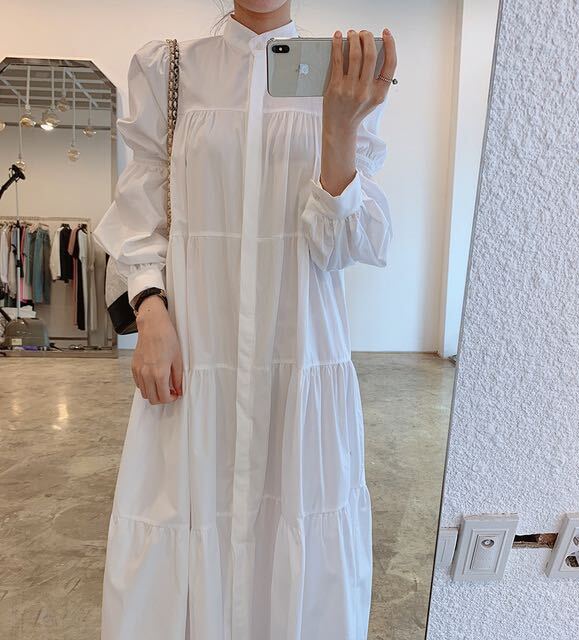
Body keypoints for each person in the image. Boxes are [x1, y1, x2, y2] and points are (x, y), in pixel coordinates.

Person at [93, 1, 397, 638]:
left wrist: (340, 127)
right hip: (195, 361)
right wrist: (151, 310)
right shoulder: (168, 70)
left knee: (294, 527)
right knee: (182, 531)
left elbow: (339, 247)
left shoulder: (342, 73)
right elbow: (139, 216)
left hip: (301, 355)